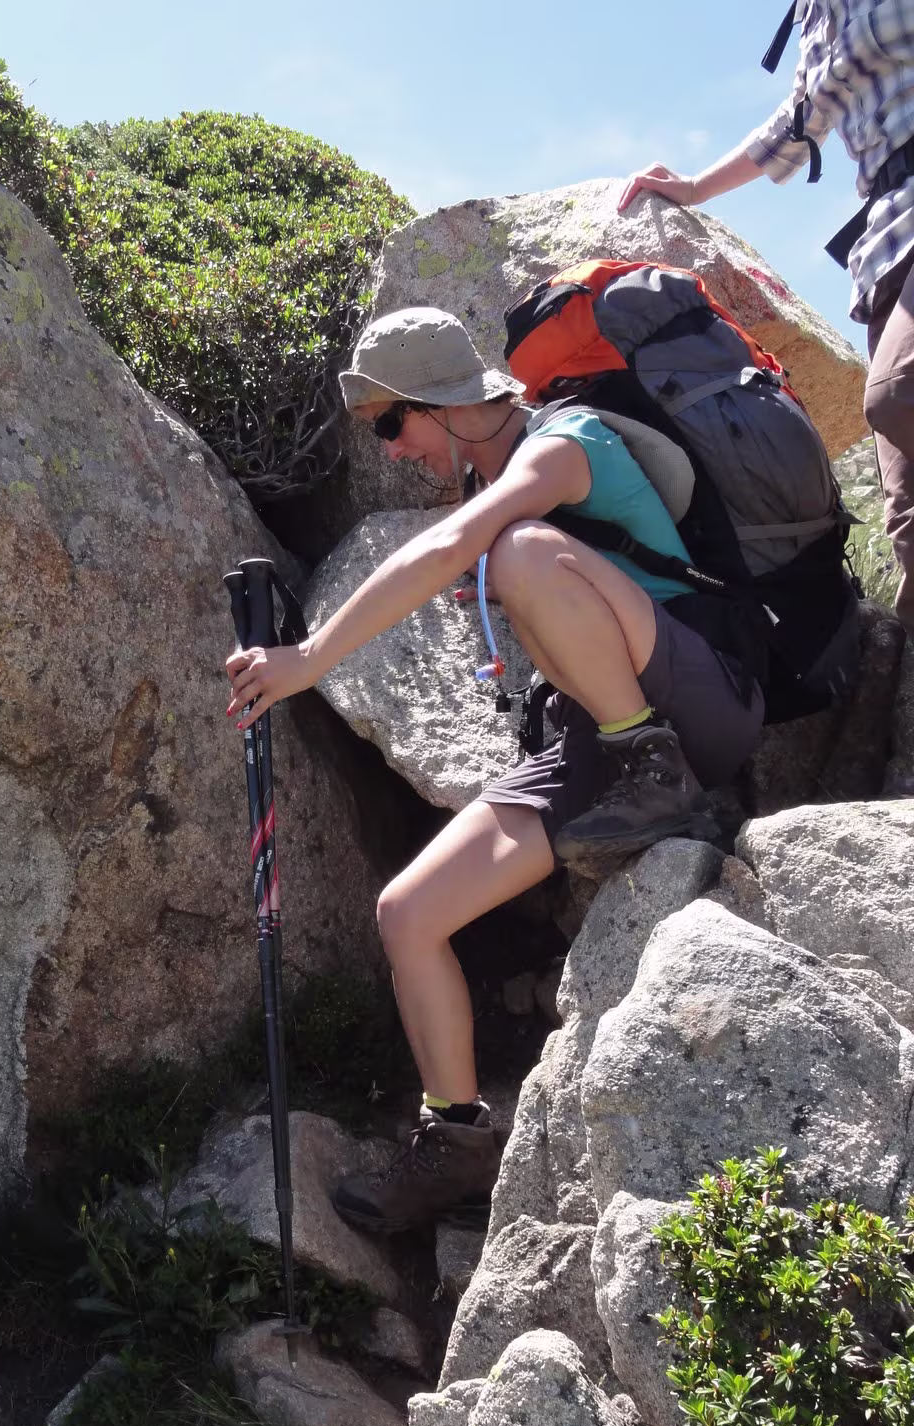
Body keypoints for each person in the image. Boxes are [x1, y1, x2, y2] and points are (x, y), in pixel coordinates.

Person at [224, 307, 765, 1233]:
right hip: (596, 742)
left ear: (444, 401)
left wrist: (308, 659)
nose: (393, 450)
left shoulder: (565, 446)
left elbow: (449, 549)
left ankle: (656, 775)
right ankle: (459, 1142)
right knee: (408, 913)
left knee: (512, 548)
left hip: (698, 699)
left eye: (394, 422)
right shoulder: (500, 479)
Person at [619, 0, 914, 629]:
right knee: (906, 505)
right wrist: (693, 187)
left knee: (899, 394)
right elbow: (796, 123)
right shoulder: (814, 21)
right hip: (885, 244)